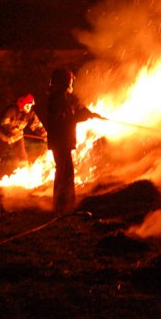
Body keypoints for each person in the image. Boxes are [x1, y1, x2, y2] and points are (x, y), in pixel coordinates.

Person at [46, 67, 103, 216]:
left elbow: (74, 113)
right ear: (64, 82)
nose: (71, 83)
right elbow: (65, 120)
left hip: (64, 141)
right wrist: (85, 117)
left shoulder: (62, 97)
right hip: (61, 142)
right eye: (70, 81)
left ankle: (68, 206)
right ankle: (60, 208)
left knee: (68, 173)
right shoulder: (56, 99)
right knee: (63, 173)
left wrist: (91, 114)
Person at [0, 93, 47, 178]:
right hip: (3, 137)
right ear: (22, 104)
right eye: (27, 106)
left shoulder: (30, 114)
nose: (29, 108)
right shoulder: (11, 110)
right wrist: (11, 130)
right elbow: (4, 124)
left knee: (22, 156)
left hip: (17, 137)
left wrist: (44, 135)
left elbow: (37, 125)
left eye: (30, 106)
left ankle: (25, 174)